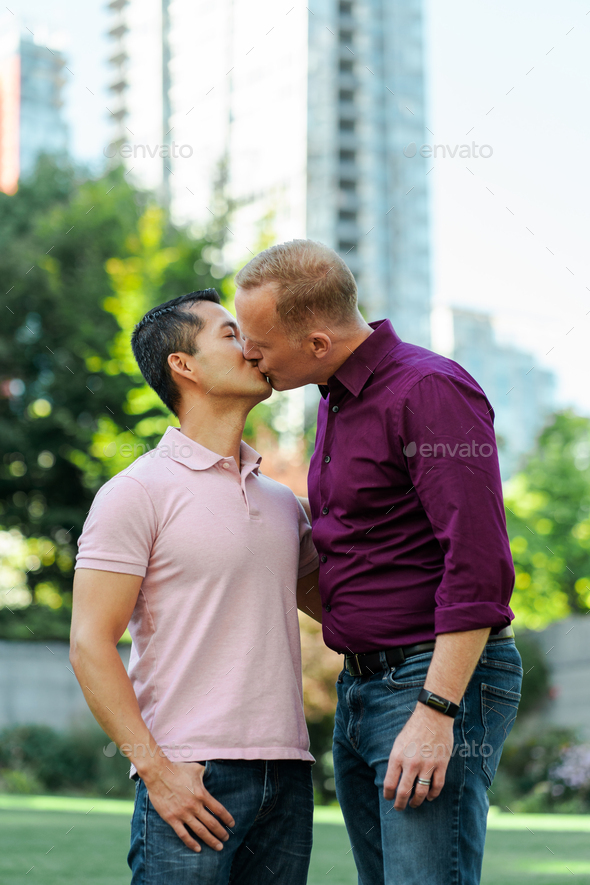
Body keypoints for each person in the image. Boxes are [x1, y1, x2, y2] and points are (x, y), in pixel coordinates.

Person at [235, 240, 523, 885]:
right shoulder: (334, 398)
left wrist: (436, 711)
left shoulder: (428, 390)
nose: (246, 353)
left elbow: (478, 564)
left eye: (257, 341)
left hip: (434, 678)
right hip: (364, 684)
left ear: (315, 341)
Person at [70, 289, 322, 885]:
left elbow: (339, 613)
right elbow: (89, 644)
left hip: (287, 771)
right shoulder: (136, 492)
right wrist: (156, 771)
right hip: (192, 773)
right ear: (183, 365)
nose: (252, 347)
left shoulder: (284, 503)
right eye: (232, 335)